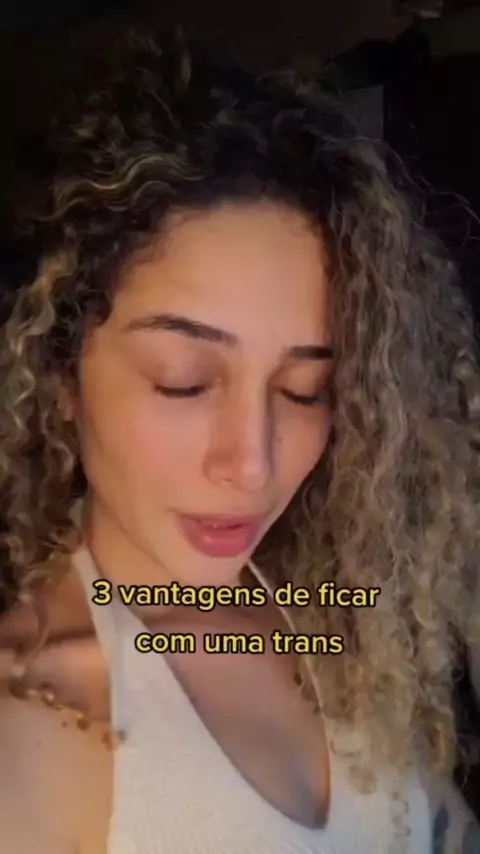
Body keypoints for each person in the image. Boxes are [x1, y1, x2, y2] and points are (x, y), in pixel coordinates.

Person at [0, 28, 479, 854]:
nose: (254, 465)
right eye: (184, 380)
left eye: (305, 389)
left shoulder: (341, 612)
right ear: (59, 374)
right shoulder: (35, 735)